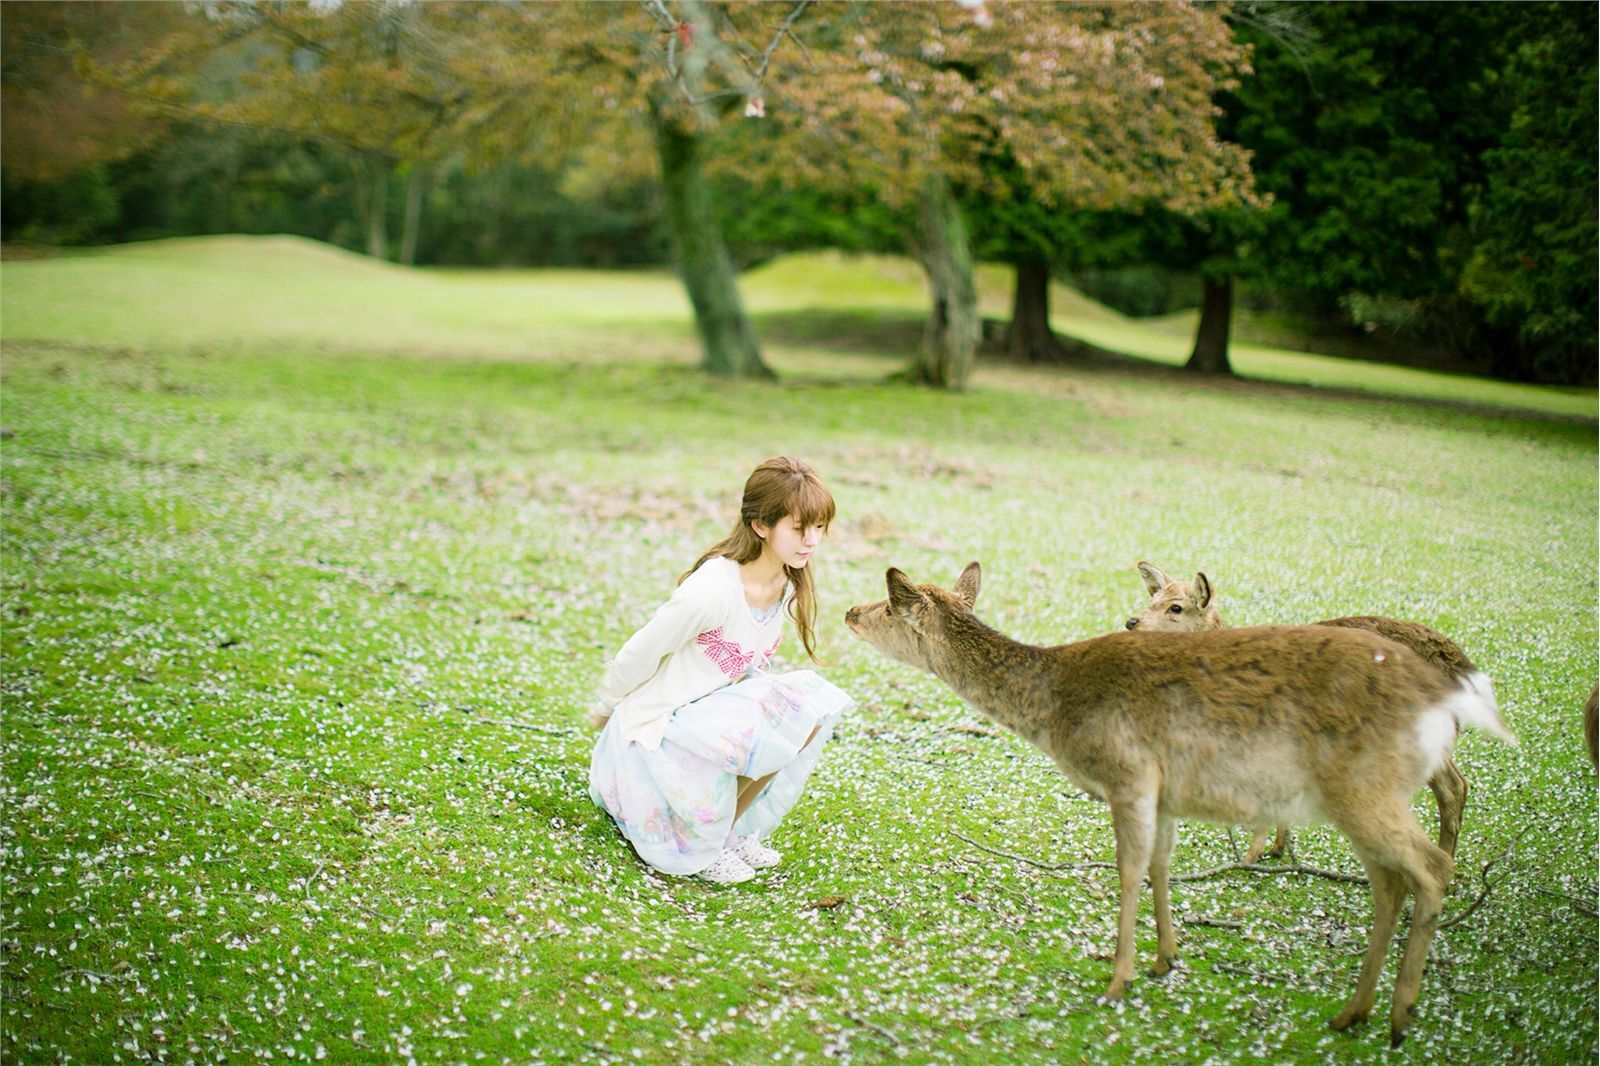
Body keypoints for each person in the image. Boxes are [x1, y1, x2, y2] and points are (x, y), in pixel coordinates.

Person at [587, 457, 855, 883]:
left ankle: (725, 833)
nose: (811, 541)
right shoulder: (713, 588)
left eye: (819, 528)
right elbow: (642, 650)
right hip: (659, 726)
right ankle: (706, 845)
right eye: (799, 527)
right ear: (761, 526)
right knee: (784, 708)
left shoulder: (784, 583)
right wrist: (605, 709)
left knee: (803, 713)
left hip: (706, 721)